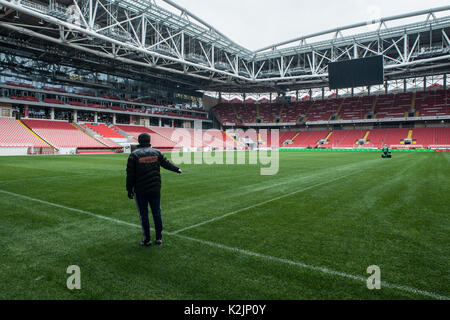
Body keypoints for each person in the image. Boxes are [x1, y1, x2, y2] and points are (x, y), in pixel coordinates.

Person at [126, 133, 182, 247]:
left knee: (144, 214)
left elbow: (130, 175)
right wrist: (177, 169)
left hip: (141, 190)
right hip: (155, 188)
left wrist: (129, 189)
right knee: (157, 213)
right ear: (149, 140)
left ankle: (147, 240)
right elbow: (166, 164)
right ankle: (159, 238)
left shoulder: (134, 155)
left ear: (139, 141)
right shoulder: (157, 152)